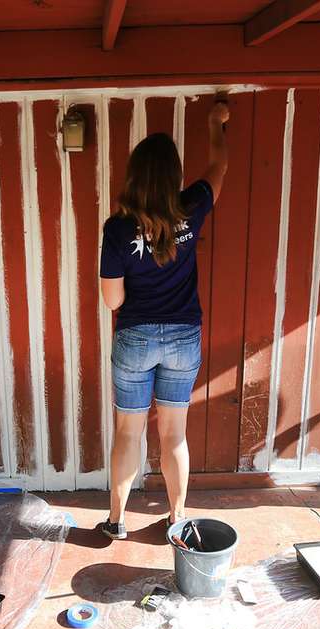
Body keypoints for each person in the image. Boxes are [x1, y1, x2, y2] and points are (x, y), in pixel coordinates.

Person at [96, 100, 230, 540]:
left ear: (134, 175)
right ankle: (177, 517)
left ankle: (116, 521)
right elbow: (219, 167)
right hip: (182, 337)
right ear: (174, 176)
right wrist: (215, 124)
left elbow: (112, 301)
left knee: (128, 433)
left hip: (134, 337)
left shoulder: (117, 230)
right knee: (174, 434)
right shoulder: (191, 208)